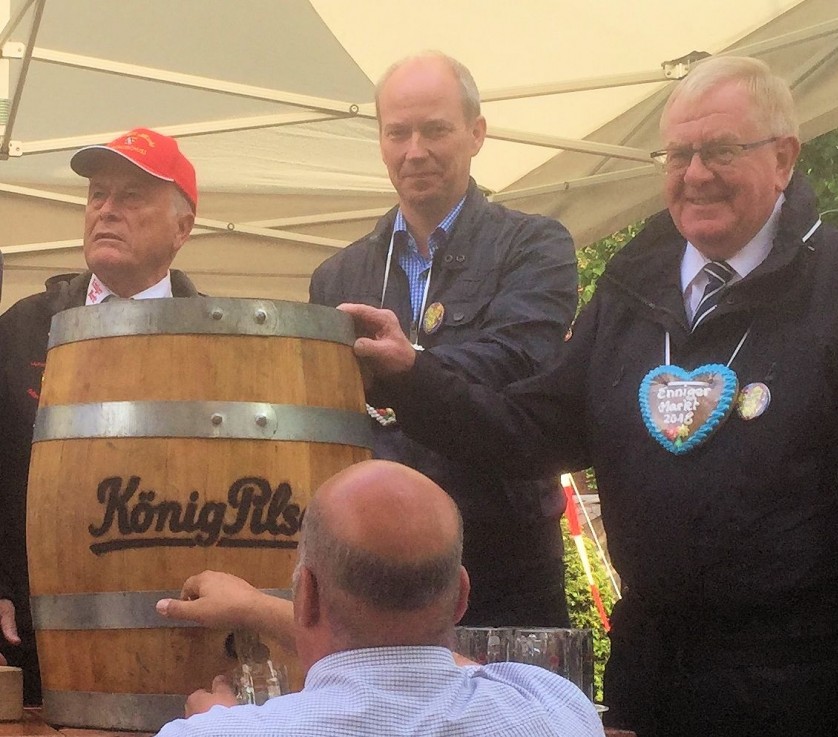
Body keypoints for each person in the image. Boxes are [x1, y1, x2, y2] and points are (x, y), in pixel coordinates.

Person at [338, 56, 838, 736]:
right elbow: (531, 431)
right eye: (679, 153)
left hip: (804, 696)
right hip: (650, 688)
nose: (695, 174)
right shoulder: (635, 290)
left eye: (721, 150)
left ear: (783, 158)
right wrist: (410, 376)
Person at [309, 52, 577, 627]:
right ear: (380, 141)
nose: (415, 151)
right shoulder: (336, 276)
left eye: (435, 130)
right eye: (397, 133)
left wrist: (411, 367)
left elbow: (520, 359)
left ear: (477, 134)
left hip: (502, 572)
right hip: (370, 576)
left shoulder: (535, 247)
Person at [153, 460, 603, 737]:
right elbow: (454, 673)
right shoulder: (559, 711)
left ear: (305, 594)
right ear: (461, 596)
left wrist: (217, 722)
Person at [0, 127, 200, 705]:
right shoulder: (23, 327)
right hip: (36, 642)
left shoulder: (218, 339)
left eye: (132, 196)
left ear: (182, 227)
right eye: (97, 196)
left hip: (182, 642)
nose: (107, 210)